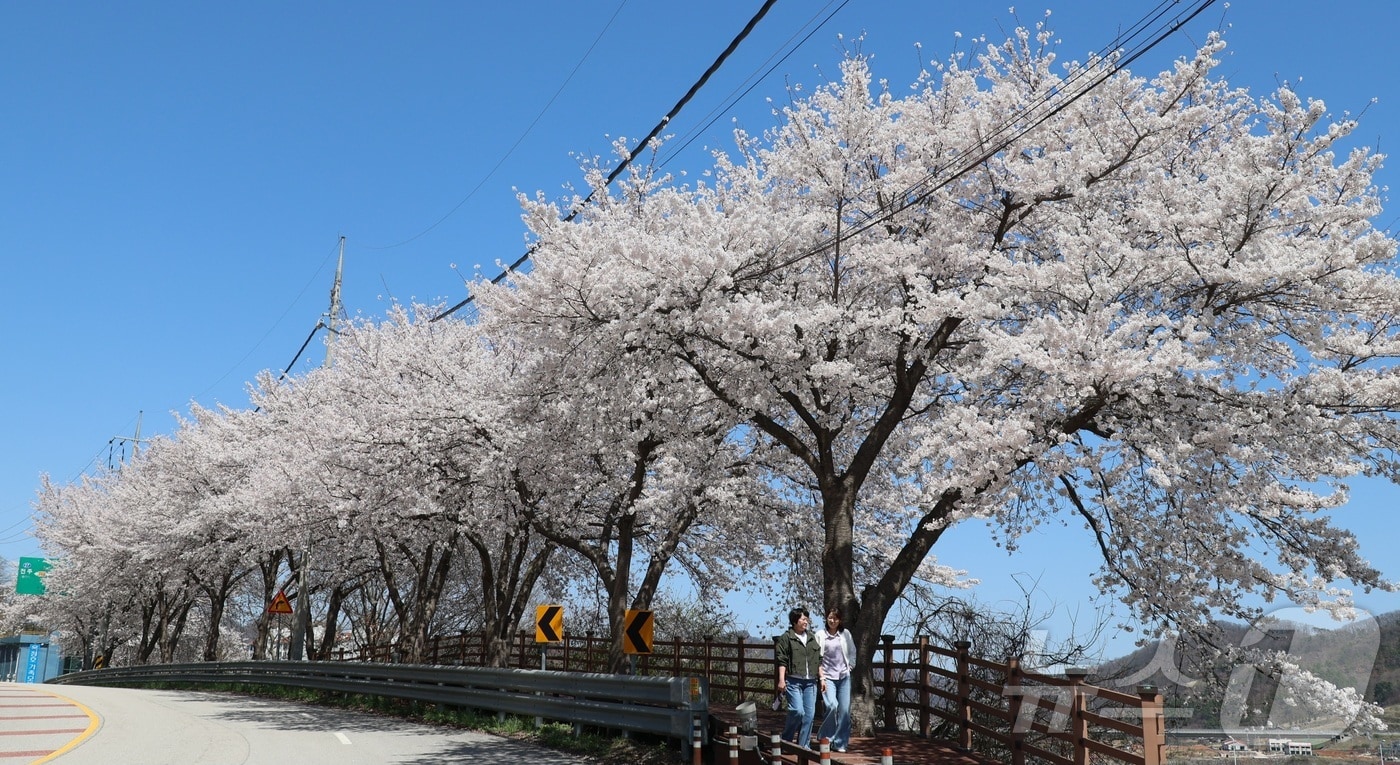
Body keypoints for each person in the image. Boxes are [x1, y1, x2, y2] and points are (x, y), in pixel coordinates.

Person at [774, 606, 824, 747]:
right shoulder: (786, 638)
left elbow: (818, 660)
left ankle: (804, 745)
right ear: (795, 621)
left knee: (809, 715)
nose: (805, 621)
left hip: (810, 682)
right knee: (797, 711)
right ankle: (786, 739)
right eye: (803, 619)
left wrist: (822, 678)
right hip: (793, 681)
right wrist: (782, 680)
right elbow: (782, 661)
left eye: (806, 619)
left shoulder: (812, 638)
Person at [815, 607, 856, 752]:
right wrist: (821, 677)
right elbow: (816, 658)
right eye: (830, 617)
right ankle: (826, 737)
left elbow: (852, 651)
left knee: (844, 710)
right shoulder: (820, 635)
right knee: (832, 705)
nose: (833, 621)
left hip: (844, 677)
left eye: (836, 618)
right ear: (826, 618)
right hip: (827, 677)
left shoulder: (845, 634)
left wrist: (850, 666)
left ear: (840, 620)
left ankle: (840, 743)